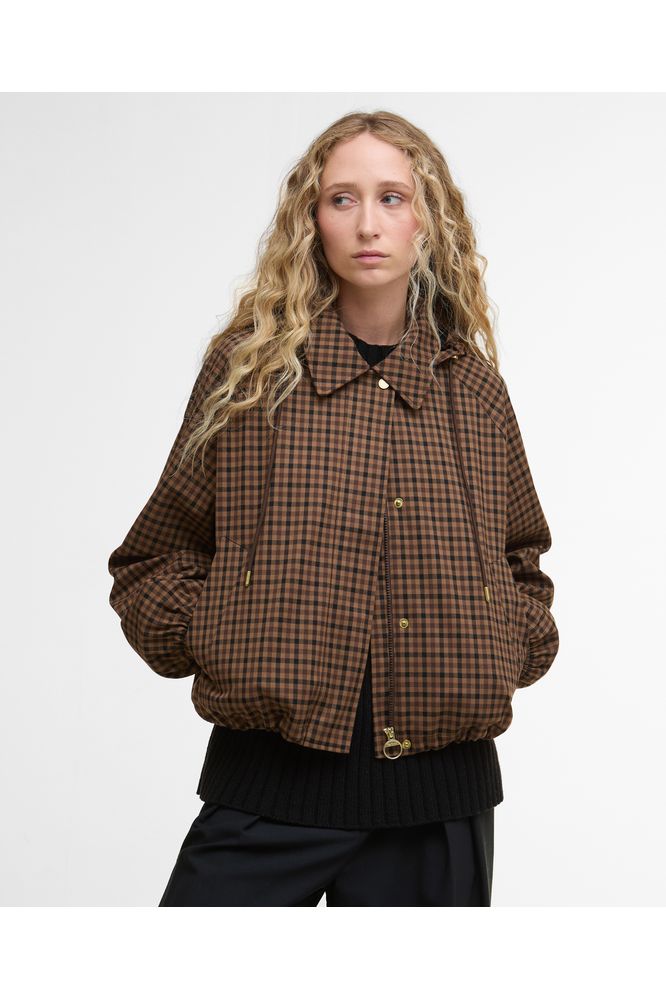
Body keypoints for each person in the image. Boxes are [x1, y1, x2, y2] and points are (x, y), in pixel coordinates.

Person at [107, 110, 559, 906]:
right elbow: (155, 557)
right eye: (342, 199)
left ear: (428, 219)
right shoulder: (251, 376)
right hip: (268, 780)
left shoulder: (472, 388)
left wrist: (498, 647)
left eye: (392, 197)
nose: (368, 224)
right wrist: (223, 636)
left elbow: (520, 560)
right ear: (311, 221)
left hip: (438, 801)